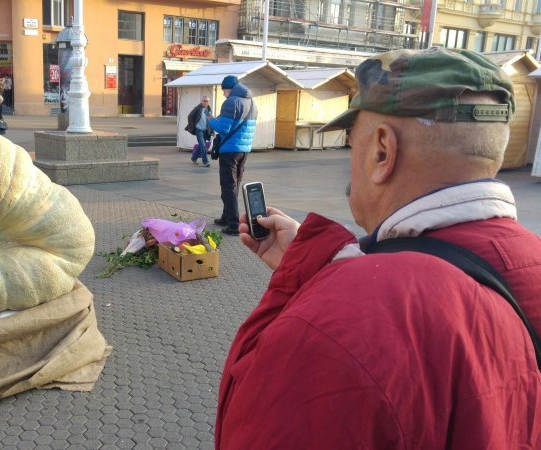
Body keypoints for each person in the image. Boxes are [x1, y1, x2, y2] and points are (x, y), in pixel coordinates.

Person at [215, 47, 541, 449]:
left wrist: (328, 290)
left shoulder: (333, 327)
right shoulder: (530, 262)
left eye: (353, 141)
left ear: (382, 151)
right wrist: (318, 270)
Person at [208, 75, 258, 236]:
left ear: (228, 88)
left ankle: (234, 224)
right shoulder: (251, 102)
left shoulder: (231, 102)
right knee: (234, 185)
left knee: (228, 186)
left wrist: (211, 120)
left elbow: (224, 128)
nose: (223, 94)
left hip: (230, 151)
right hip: (244, 150)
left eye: (223, 91)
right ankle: (226, 217)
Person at [186, 95, 212, 167]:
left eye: (207, 101)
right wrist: (192, 126)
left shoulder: (208, 110)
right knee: (203, 146)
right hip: (199, 130)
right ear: (201, 101)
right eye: (204, 101)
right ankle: (205, 161)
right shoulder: (197, 108)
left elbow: (210, 121)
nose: (205, 102)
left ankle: (194, 158)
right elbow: (190, 116)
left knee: (201, 146)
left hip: (205, 130)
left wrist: (212, 132)